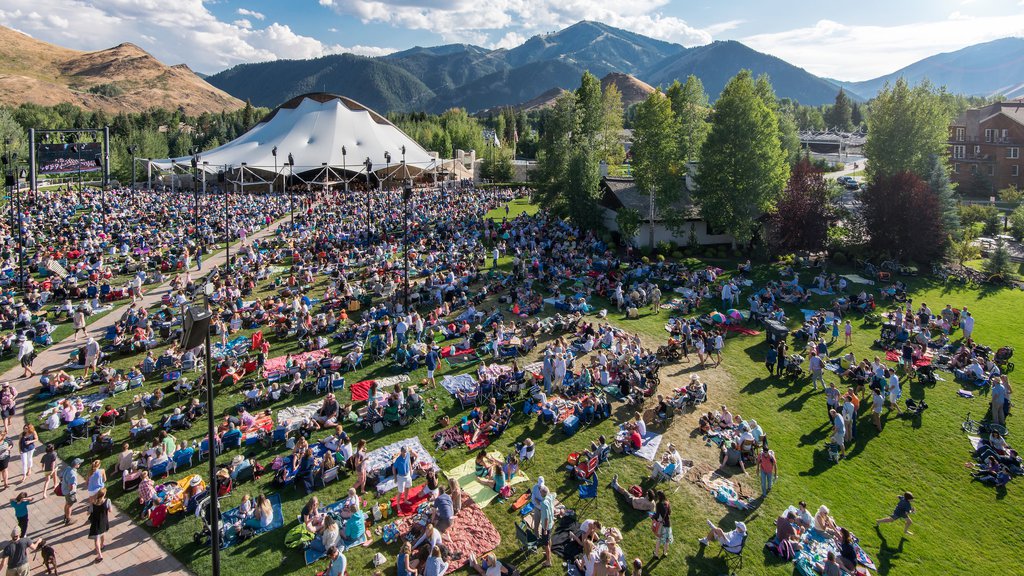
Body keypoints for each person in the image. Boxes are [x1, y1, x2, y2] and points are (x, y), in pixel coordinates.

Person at [88, 488, 111, 562]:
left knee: (96, 540)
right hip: (104, 521)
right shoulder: (107, 501)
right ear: (104, 494)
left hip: (95, 523)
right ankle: (102, 545)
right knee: (103, 533)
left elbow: (88, 512)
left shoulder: (93, 502)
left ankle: (100, 555)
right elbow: (110, 510)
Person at [537, 484, 555, 568]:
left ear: (542, 493)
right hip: (552, 523)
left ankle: (548, 561)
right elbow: (554, 494)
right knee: (548, 540)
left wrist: (544, 529)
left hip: (546, 526)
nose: (539, 492)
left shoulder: (544, 504)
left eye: (540, 491)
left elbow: (546, 518)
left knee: (546, 544)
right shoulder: (550, 496)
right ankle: (549, 552)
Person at [61, 458, 82, 525]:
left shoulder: (68, 468)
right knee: (69, 505)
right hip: (69, 492)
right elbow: (71, 486)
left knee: (67, 503)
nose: (80, 464)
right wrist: (72, 492)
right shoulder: (73, 474)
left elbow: (61, 476)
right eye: (79, 463)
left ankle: (66, 516)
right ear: (76, 465)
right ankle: (68, 519)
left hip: (64, 489)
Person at [653, 490, 672, 558]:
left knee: (659, 539)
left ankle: (656, 554)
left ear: (658, 497)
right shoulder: (667, 502)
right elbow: (669, 513)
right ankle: (665, 553)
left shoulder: (658, 504)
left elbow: (657, 516)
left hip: (661, 524)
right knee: (667, 540)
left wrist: (652, 516)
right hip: (667, 523)